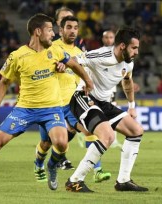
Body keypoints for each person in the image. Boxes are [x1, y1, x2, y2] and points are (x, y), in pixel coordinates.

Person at [0, 13, 93, 194]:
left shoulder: (55, 51)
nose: (53, 34)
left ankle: (52, 166)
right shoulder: (17, 56)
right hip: (25, 109)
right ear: (38, 32)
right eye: (49, 31)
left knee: (61, 143)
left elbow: (73, 64)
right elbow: (3, 82)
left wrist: (88, 80)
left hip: (51, 108)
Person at [65, 26, 149, 192]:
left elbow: (127, 82)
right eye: (134, 48)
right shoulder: (102, 55)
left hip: (103, 102)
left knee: (136, 130)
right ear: (122, 46)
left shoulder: (128, 63)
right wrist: (87, 80)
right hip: (83, 97)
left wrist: (132, 106)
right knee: (108, 136)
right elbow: (72, 60)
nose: (136, 52)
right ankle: (74, 181)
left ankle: (123, 181)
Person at [34, 16, 111, 184]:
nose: (73, 31)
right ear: (60, 30)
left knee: (89, 131)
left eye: (75, 27)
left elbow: (84, 75)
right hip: (51, 104)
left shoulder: (80, 54)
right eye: (69, 27)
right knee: (46, 143)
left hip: (71, 103)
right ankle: (39, 164)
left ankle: (97, 170)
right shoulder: (50, 47)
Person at [101, 30, 123, 148]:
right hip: (101, 88)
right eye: (106, 37)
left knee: (113, 111)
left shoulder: (118, 53)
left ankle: (113, 140)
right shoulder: (99, 53)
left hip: (112, 88)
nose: (109, 39)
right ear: (103, 39)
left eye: (111, 37)